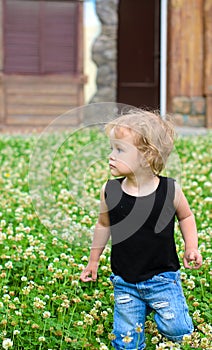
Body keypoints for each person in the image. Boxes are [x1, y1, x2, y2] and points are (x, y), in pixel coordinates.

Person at [80, 109, 202, 350]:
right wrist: (93, 261)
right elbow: (103, 224)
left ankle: (159, 313)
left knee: (178, 331)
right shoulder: (110, 191)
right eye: (111, 148)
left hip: (163, 279)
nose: (110, 156)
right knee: (126, 343)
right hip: (125, 280)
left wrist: (192, 247)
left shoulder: (170, 190)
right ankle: (138, 313)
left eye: (120, 150)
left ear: (147, 156)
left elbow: (186, 217)